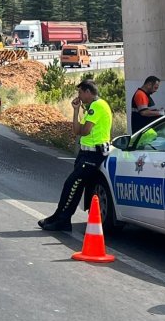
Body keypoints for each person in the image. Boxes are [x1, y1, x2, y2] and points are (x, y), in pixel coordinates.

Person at [38, 79, 113, 232]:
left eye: (80, 92)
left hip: (94, 154)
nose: (78, 95)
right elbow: (76, 130)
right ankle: (58, 217)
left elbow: (84, 131)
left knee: (71, 185)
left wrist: (81, 124)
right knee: (76, 187)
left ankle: (63, 220)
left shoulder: (97, 106)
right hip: (85, 153)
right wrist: (76, 110)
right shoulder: (90, 107)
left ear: (87, 92)